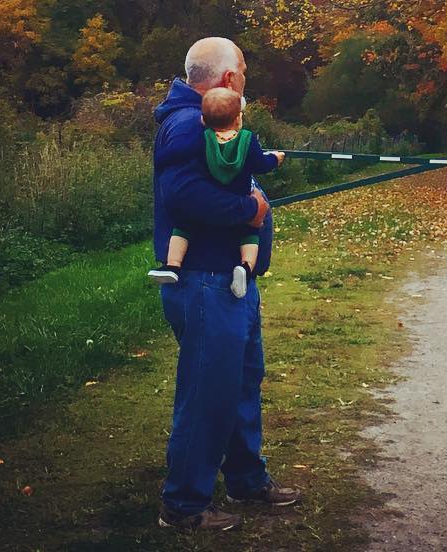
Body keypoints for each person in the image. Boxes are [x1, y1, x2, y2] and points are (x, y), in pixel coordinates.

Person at [153, 37, 300, 532]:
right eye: (243, 71)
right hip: (205, 282)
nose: (246, 80)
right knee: (207, 391)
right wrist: (248, 210)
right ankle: (184, 505)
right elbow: (182, 198)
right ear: (228, 80)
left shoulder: (210, 124)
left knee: (238, 382)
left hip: (229, 282)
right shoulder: (185, 125)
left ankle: (245, 478)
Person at [149, 86, 285, 296]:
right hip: (239, 198)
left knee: (182, 228)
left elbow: (177, 152)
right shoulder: (247, 140)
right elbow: (261, 164)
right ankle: (245, 268)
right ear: (238, 119)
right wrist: (275, 159)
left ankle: (172, 265)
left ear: (203, 120)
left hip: (211, 200)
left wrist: (161, 159)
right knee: (250, 234)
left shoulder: (202, 138)